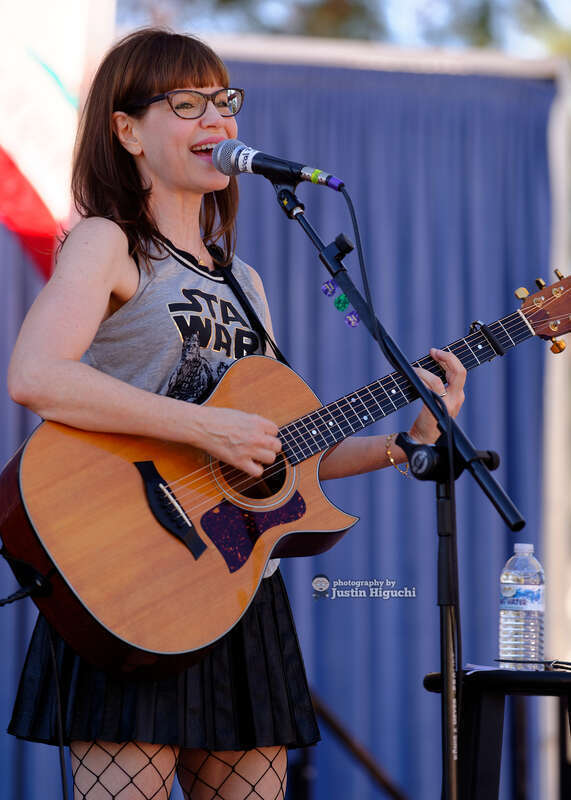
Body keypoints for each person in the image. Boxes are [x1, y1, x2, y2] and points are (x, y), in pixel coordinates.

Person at [6, 28, 467, 800]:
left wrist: (403, 441)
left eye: (224, 101)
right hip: (128, 574)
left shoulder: (244, 281)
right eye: (186, 103)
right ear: (126, 130)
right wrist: (201, 426)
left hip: (232, 588)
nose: (216, 120)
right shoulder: (107, 242)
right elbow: (35, 375)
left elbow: (278, 454)